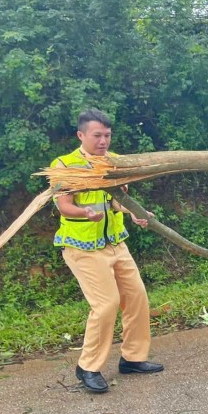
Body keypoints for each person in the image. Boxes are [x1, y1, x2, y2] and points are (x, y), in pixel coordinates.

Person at [52, 109, 164, 393]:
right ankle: (87, 367)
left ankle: (133, 358)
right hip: (83, 249)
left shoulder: (113, 163)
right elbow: (64, 206)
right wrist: (84, 213)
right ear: (81, 135)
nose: (103, 141)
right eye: (97, 135)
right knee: (106, 305)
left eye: (107, 135)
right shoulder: (65, 165)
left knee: (136, 297)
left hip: (116, 244)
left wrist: (136, 212)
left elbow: (118, 201)